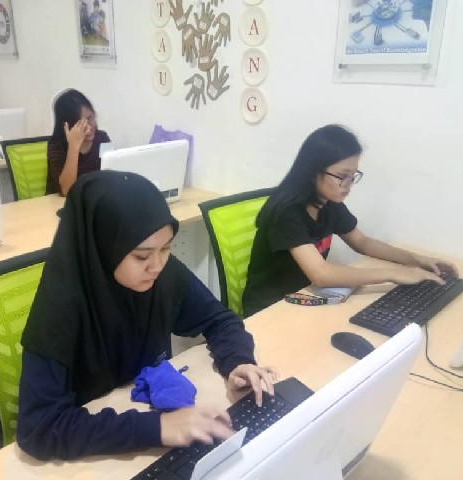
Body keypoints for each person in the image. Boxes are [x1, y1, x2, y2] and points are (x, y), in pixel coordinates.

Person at [17, 170, 278, 460]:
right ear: (102, 248)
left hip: (148, 410)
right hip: (93, 446)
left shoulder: (163, 273)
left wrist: (238, 360)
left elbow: (220, 320)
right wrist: (157, 427)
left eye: (166, 248)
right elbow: (38, 429)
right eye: (141, 256)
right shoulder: (59, 307)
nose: (157, 265)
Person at [242, 124, 458, 317]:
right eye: (342, 176)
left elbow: (363, 242)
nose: (348, 185)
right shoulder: (287, 213)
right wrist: (395, 273)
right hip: (269, 310)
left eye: (353, 176)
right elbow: (321, 274)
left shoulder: (328, 203)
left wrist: (416, 260)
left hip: (306, 297)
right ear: (314, 171)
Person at [46, 89, 111, 196]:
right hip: (63, 204)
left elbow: (112, 177)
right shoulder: (56, 146)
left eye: (90, 118)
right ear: (67, 126)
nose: (89, 127)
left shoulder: (102, 138)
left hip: (94, 200)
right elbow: (67, 191)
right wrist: (73, 147)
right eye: (80, 124)